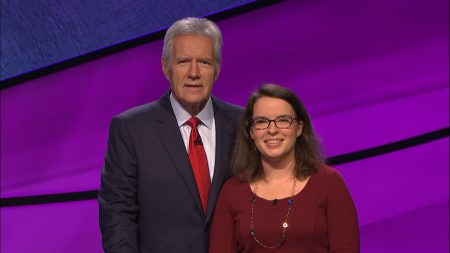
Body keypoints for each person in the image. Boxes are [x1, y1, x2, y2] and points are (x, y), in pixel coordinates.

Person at [98, 17, 242, 253]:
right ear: (166, 67)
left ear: (217, 68)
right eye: (184, 61)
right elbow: (117, 214)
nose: (193, 72)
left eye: (204, 62)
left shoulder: (242, 124)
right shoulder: (131, 129)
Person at [209, 84, 359, 253]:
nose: (272, 130)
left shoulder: (329, 183)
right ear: (251, 131)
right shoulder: (232, 191)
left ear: (299, 128)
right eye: (261, 122)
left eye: (283, 120)